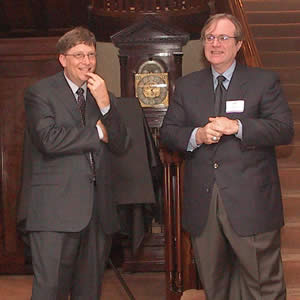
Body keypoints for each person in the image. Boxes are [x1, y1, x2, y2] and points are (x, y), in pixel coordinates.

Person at [160, 13, 294, 300]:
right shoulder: (187, 85)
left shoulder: (263, 81)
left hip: (252, 204)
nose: (215, 44)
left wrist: (239, 127)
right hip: (203, 205)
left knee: (264, 288)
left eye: (223, 38)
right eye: (210, 37)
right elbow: (168, 132)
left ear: (238, 45)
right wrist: (197, 135)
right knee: (215, 287)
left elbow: (283, 130)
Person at [17, 26, 128, 300]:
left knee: (89, 293)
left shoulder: (102, 95)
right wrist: (97, 133)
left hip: (96, 213)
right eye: (78, 55)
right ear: (62, 59)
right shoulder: (40, 93)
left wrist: (105, 106)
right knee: (49, 292)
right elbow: (49, 139)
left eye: (91, 55)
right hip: (54, 212)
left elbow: (121, 143)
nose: (86, 62)